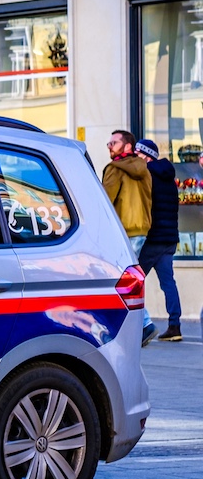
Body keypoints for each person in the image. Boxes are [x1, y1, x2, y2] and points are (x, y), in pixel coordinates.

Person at [103, 130, 157, 345]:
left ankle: (144, 324)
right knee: (126, 279)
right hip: (140, 230)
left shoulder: (114, 169)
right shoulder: (143, 169)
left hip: (122, 231)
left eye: (114, 142)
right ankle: (140, 325)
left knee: (117, 280)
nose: (109, 145)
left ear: (127, 147)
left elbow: (105, 203)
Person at [135, 139, 183, 341]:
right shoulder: (169, 178)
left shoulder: (146, 176)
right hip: (169, 238)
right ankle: (175, 325)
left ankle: (140, 325)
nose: (135, 157)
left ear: (146, 155)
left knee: (132, 282)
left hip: (153, 239)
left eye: (138, 153)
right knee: (168, 282)